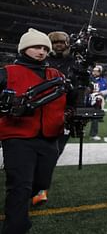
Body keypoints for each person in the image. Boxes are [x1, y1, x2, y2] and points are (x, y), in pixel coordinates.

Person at [0, 28, 66, 234]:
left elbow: (70, 101)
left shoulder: (56, 74)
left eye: (45, 48)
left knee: (41, 183)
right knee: (20, 186)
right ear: (24, 48)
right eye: (36, 47)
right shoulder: (6, 72)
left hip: (49, 139)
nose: (41, 52)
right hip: (18, 138)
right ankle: (16, 227)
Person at [30, 31, 74, 207]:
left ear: (67, 43)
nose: (58, 45)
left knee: (53, 154)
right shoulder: (40, 60)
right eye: (54, 42)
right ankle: (31, 185)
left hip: (62, 114)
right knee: (34, 153)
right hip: (38, 112)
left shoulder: (74, 63)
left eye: (61, 42)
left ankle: (41, 189)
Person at [88, 65, 107, 141]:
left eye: (97, 71)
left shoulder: (103, 80)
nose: (95, 72)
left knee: (95, 118)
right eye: (94, 70)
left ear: (100, 72)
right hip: (88, 99)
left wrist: (100, 92)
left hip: (97, 101)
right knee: (83, 117)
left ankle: (93, 134)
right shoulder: (89, 79)